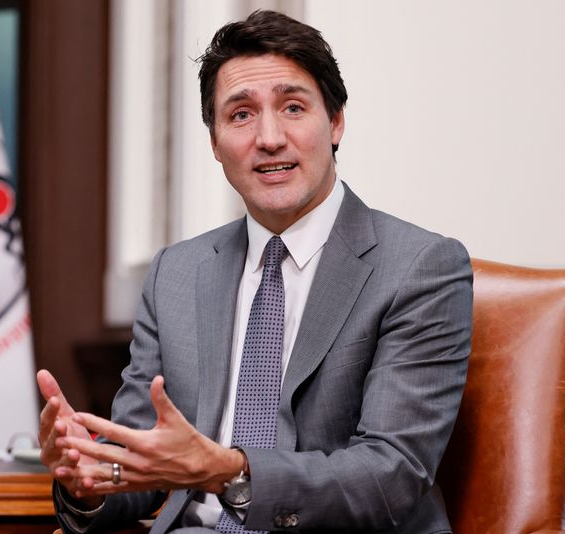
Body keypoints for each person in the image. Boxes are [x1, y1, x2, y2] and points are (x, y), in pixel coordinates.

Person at [38, 9, 472, 534]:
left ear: (335, 123)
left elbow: (391, 474)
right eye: (240, 115)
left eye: (293, 107)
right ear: (216, 143)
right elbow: (142, 458)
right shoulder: (177, 272)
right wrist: (90, 478)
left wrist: (229, 472)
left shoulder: (419, 267)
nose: (269, 138)